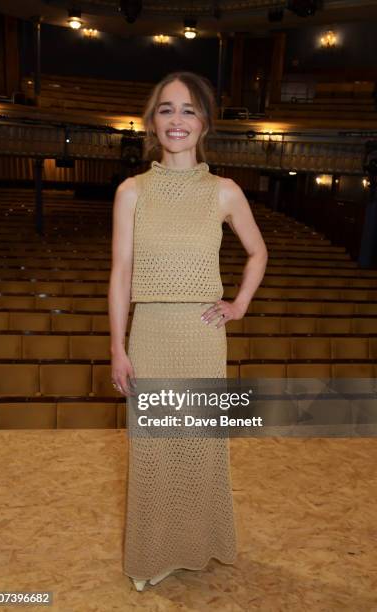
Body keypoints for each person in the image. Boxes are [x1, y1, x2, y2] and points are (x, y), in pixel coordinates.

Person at [108, 71, 268, 591]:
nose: (177, 120)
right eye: (167, 109)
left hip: (202, 336)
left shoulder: (223, 191)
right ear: (152, 121)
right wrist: (117, 345)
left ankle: (199, 544)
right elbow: (121, 273)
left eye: (189, 110)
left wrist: (238, 304)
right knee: (153, 447)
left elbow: (258, 252)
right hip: (150, 334)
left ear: (205, 123)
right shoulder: (132, 191)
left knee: (197, 443)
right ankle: (152, 555)